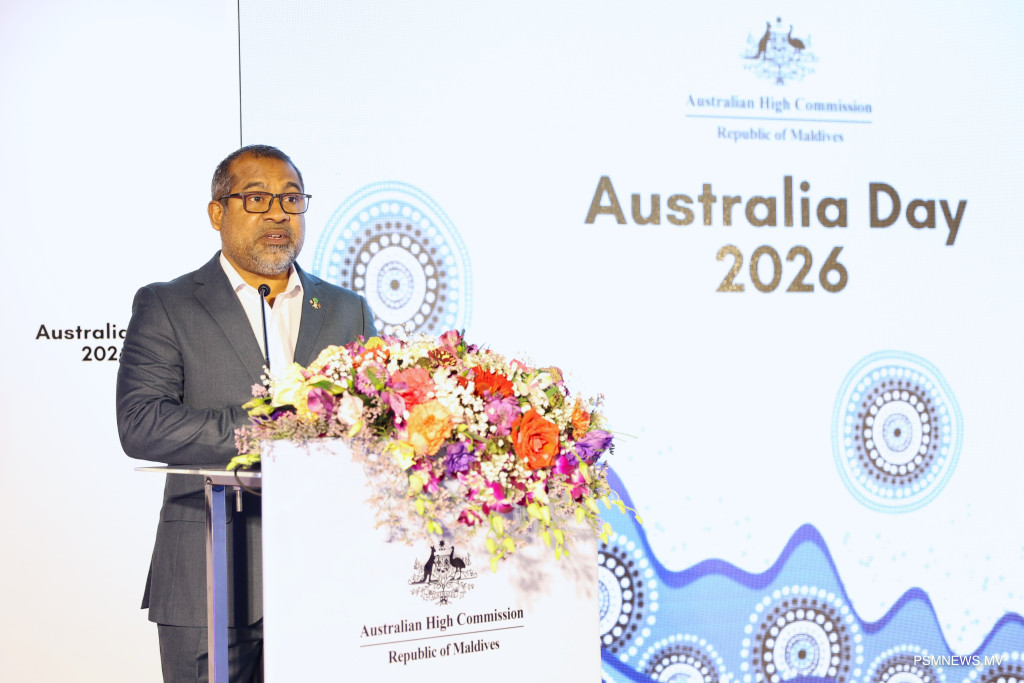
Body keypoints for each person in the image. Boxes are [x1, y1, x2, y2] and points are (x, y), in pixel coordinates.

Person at [116, 145, 376, 681]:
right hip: (209, 577)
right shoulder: (168, 304)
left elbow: (377, 421)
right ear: (218, 212)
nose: (278, 213)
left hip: (326, 580)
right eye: (257, 198)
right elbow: (142, 422)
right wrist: (274, 430)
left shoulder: (347, 309)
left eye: (291, 199)